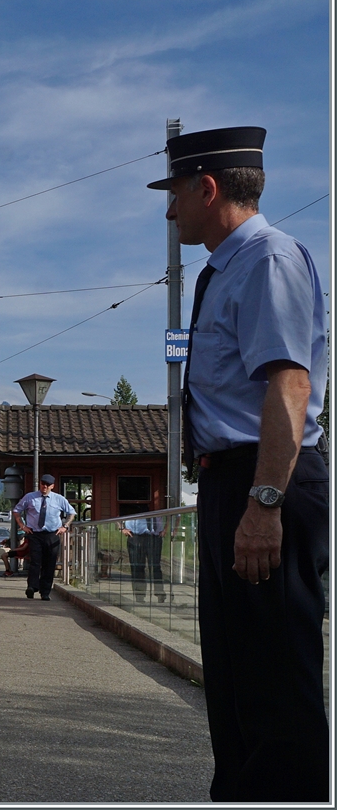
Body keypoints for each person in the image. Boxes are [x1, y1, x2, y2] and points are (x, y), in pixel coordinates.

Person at [148, 125, 328, 802]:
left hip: (266, 482)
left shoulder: (268, 260)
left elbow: (289, 385)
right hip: (238, 482)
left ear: (208, 187)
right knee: (238, 691)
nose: (170, 212)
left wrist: (264, 504)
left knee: (277, 696)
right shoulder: (230, 267)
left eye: (174, 194)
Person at [11, 474, 75, 600]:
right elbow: (16, 510)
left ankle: (45, 591)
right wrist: (22, 525)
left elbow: (71, 512)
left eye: (47, 485)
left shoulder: (59, 499)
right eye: (42, 483)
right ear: (40, 483)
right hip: (35, 534)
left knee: (50, 563)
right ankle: (32, 587)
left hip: (52, 534)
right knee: (35, 561)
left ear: (52, 486)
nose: (44, 486)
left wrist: (65, 526)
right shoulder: (30, 497)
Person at [121, 515, 167, 602]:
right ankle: (139, 596)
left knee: (155, 566)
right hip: (135, 535)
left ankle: (159, 593)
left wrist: (166, 528)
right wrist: (121, 528)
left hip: (155, 536)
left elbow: (171, 512)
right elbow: (117, 510)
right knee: (137, 567)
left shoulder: (159, 502)